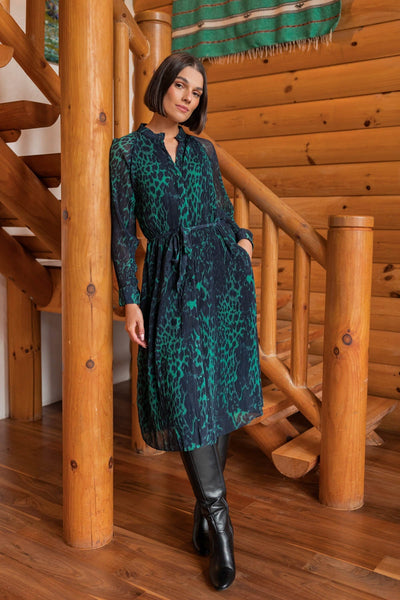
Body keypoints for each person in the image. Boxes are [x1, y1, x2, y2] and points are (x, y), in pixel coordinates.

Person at [110, 52, 263, 591]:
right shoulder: (127, 152)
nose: (187, 98)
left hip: (222, 280)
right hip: (169, 285)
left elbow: (221, 211)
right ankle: (222, 525)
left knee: (216, 394)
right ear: (162, 86)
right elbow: (123, 234)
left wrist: (243, 240)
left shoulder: (204, 151)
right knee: (188, 395)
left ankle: (206, 512)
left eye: (196, 93)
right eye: (180, 86)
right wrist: (130, 300)